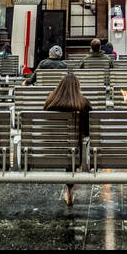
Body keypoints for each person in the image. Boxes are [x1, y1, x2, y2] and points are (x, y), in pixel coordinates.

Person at [43, 72, 91, 206]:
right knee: (75, 145)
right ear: (77, 87)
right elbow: (88, 131)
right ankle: (70, 189)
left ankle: (69, 189)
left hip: (53, 149)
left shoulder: (50, 103)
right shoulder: (83, 104)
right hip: (76, 151)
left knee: (68, 146)